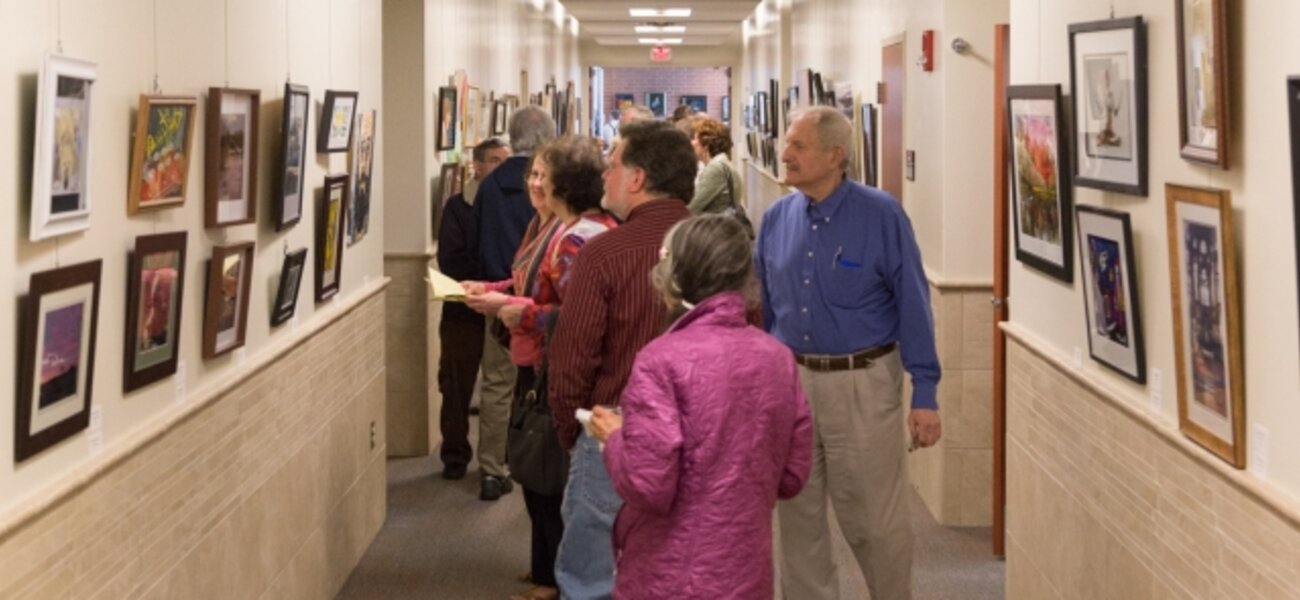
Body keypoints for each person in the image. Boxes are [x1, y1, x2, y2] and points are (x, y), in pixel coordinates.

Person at [755, 106, 942, 600]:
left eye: (799, 145)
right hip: (792, 384)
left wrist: (925, 391)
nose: (786, 153)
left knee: (873, 523)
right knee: (797, 520)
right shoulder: (776, 219)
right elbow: (765, 312)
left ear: (836, 155)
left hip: (862, 382)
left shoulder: (881, 214)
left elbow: (913, 304)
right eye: (787, 143)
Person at [588, 215, 813, 600]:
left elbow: (648, 484)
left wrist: (615, 440)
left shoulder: (660, 360)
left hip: (669, 572)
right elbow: (792, 476)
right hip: (746, 569)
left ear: (672, 276)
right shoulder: (777, 357)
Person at [547, 121, 695, 600]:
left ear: (636, 179)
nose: (604, 177)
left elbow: (574, 355)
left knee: (594, 573)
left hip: (615, 428)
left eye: (612, 166)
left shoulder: (604, 253)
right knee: (684, 565)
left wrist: (571, 427)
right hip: (700, 431)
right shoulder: (722, 251)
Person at [473, 106, 556, 500]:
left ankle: (491, 468)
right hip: (533, 305)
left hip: (497, 298)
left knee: (496, 386)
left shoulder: (489, 186)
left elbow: (481, 241)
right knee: (535, 388)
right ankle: (531, 463)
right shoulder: (546, 187)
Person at [436, 138, 511, 481]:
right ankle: (454, 456)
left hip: (503, 309)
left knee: (500, 388)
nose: (501, 167)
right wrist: (486, 279)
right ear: (477, 166)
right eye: (494, 161)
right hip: (462, 310)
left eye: (505, 161)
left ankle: (495, 461)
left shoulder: (515, 204)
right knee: (455, 385)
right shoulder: (458, 206)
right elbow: (450, 259)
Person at [687, 118, 746, 216]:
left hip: (716, 227)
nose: (692, 143)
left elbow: (693, 207)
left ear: (706, 144)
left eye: (695, 138)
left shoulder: (715, 168)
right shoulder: (722, 163)